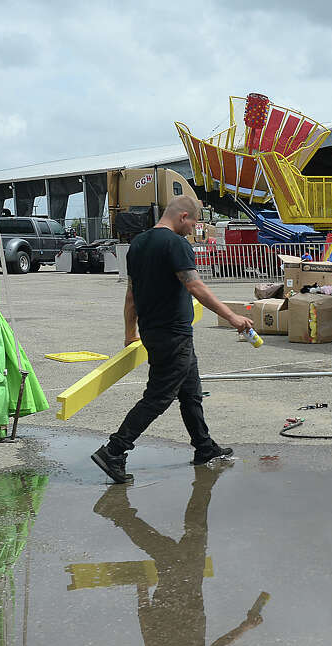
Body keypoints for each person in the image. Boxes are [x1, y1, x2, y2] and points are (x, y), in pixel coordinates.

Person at [91, 196, 253, 484]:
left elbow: (131, 294)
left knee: (190, 392)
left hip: (156, 332)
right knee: (158, 397)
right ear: (183, 217)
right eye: (193, 223)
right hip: (173, 335)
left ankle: (204, 447)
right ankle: (114, 451)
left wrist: (130, 332)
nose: (193, 230)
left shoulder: (138, 244)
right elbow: (195, 286)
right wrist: (233, 317)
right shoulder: (176, 244)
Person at [92, 463, 265, 646]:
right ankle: (201, 487)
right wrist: (142, 598)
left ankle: (120, 513)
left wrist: (244, 627)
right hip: (184, 603)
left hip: (179, 604)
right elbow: (149, 640)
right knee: (189, 541)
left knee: (173, 551)